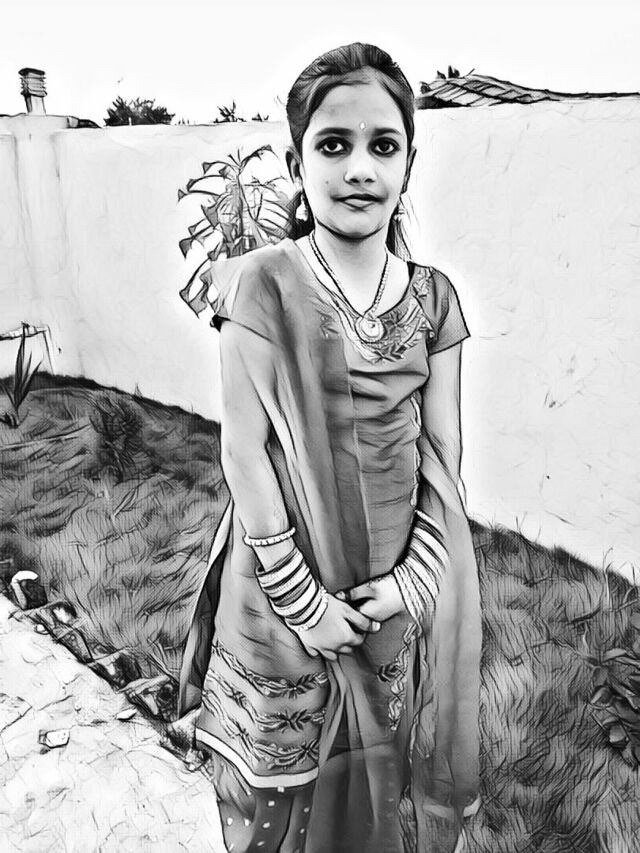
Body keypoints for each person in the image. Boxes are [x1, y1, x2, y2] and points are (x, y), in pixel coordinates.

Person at [178, 42, 483, 853]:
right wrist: (305, 603)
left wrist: (408, 583)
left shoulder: (434, 301)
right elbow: (245, 453)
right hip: (279, 601)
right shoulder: (260, 284)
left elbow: (443, 457)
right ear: (296, 163)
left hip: (387, 596)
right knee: (273, 809)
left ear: (409, 164)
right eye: (333, 144)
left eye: (383, 145)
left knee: (371, 795)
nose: (358, 169)